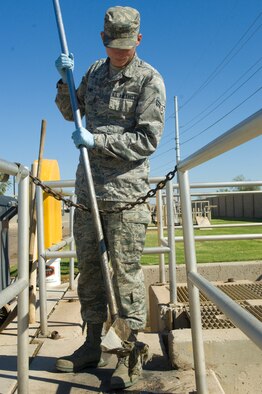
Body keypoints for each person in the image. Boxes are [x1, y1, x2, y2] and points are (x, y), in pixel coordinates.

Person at [54, 5, 166, 389]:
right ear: (104, 40)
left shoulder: (150, 80)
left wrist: (97, 140)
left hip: (126, 195)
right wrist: (64, 79)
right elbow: (72, 112)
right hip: (88, 192)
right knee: (89, 272)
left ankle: (130, 356)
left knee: (126, 277)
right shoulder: (92, 73)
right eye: (113, 45)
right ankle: (90, 345)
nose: (121, 52)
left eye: (127, 44)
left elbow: (148, 139)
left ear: (138, 38)